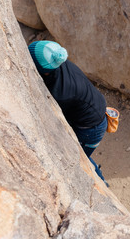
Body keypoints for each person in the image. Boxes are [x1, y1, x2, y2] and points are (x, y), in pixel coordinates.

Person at [28, 40, 109, 187]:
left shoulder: (60, 92)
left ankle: (100, 183)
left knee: (78, 157)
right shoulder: (58, 61)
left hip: (91, 129)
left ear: (43, 70)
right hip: (95, 108)